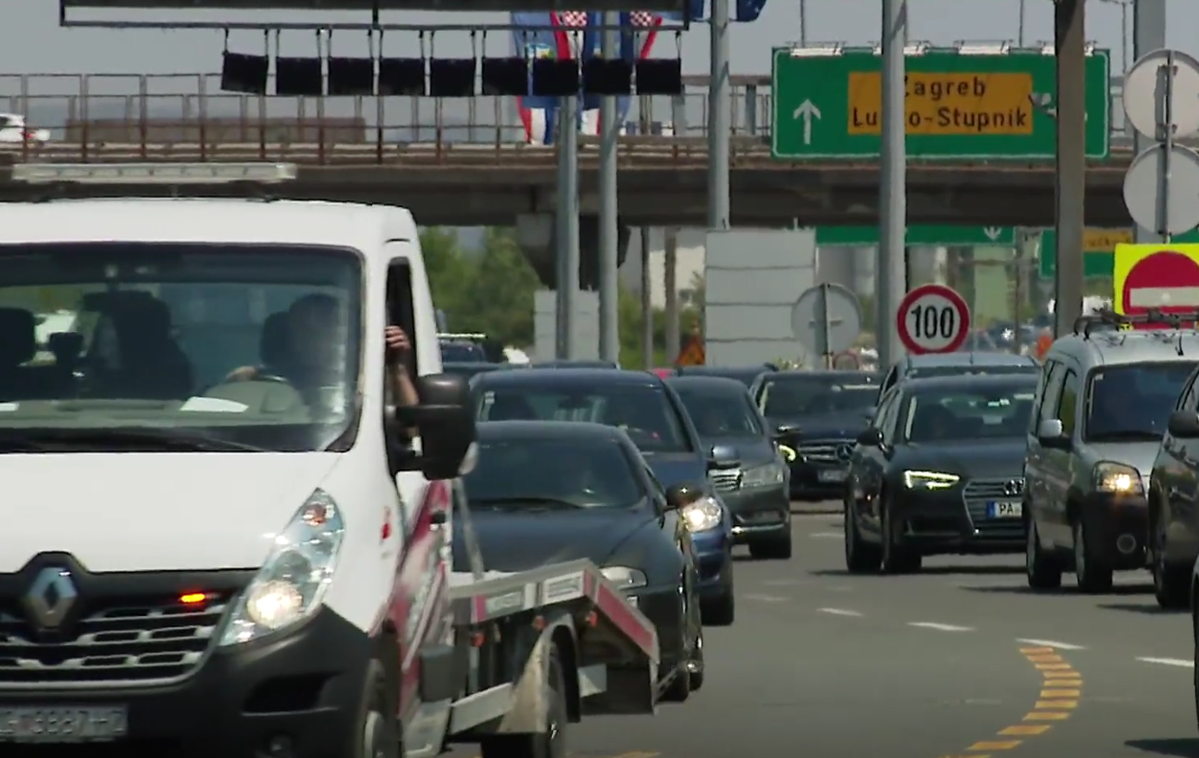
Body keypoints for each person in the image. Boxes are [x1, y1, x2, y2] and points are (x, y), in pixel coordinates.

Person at [227, 293, 419, 412]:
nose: (313, 334)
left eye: (323, 325)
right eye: (303, 327)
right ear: (287, 334)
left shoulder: (368, 381)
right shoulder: (249, 379)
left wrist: (398, 369)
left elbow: (412, 430)